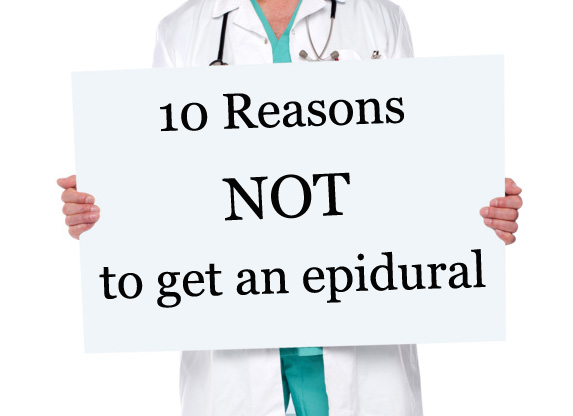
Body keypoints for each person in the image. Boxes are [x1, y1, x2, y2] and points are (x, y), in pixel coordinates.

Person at [58, 0, 523, 414]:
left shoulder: (379, 17)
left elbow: (414, 161)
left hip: (361, 325)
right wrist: (107, 210)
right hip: (231, 331)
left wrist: (472, 205)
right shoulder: (181, 31)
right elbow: (164, 177)